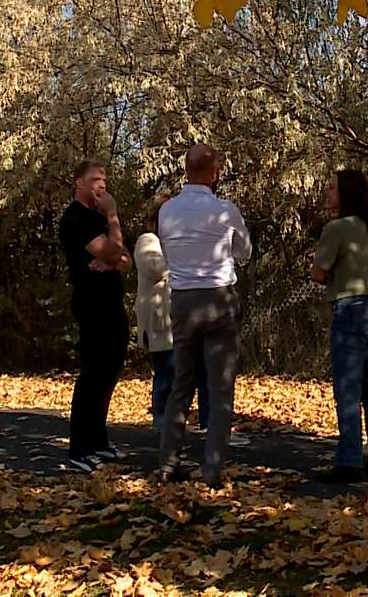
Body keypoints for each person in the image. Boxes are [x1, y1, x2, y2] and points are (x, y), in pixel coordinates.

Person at [156, 144, 253, 486]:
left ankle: (169, 462)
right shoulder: (225, 210)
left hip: (183, 298)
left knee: (182, 383)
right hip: (218, 298)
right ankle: (212, 469)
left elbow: (168, 251)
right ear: (215, 173)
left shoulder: (167, 210)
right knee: (220, 386)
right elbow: (244, 252)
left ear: (185, 171)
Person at [311, 170, 368, 484]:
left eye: (332, 187)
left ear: (345, 194)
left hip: (350, 309)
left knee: (347, 388)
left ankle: (349, 461)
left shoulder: (335, 228)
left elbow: (319, 272)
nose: (326, 190)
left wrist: (324, 272)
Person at [58, 160, 132, 473]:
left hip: (111, 301)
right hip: (92, 302)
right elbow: (115, 251)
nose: (102, 186)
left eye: (104, 180)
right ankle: (79, 449)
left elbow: (125, 259)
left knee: (109, 372)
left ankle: (98, 442)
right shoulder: (77, 218)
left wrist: (114, 259)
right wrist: (113, 216)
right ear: (79, 183)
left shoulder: (95, 219)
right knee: (92, 374)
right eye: (96, 180)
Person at [134, 193, 211, 433]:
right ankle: (161, 416)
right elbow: (155, 267)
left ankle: (194, 418)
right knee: (167, 370)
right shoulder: (148, 240)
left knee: (194, 371)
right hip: (160, 319)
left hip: (185, 316)